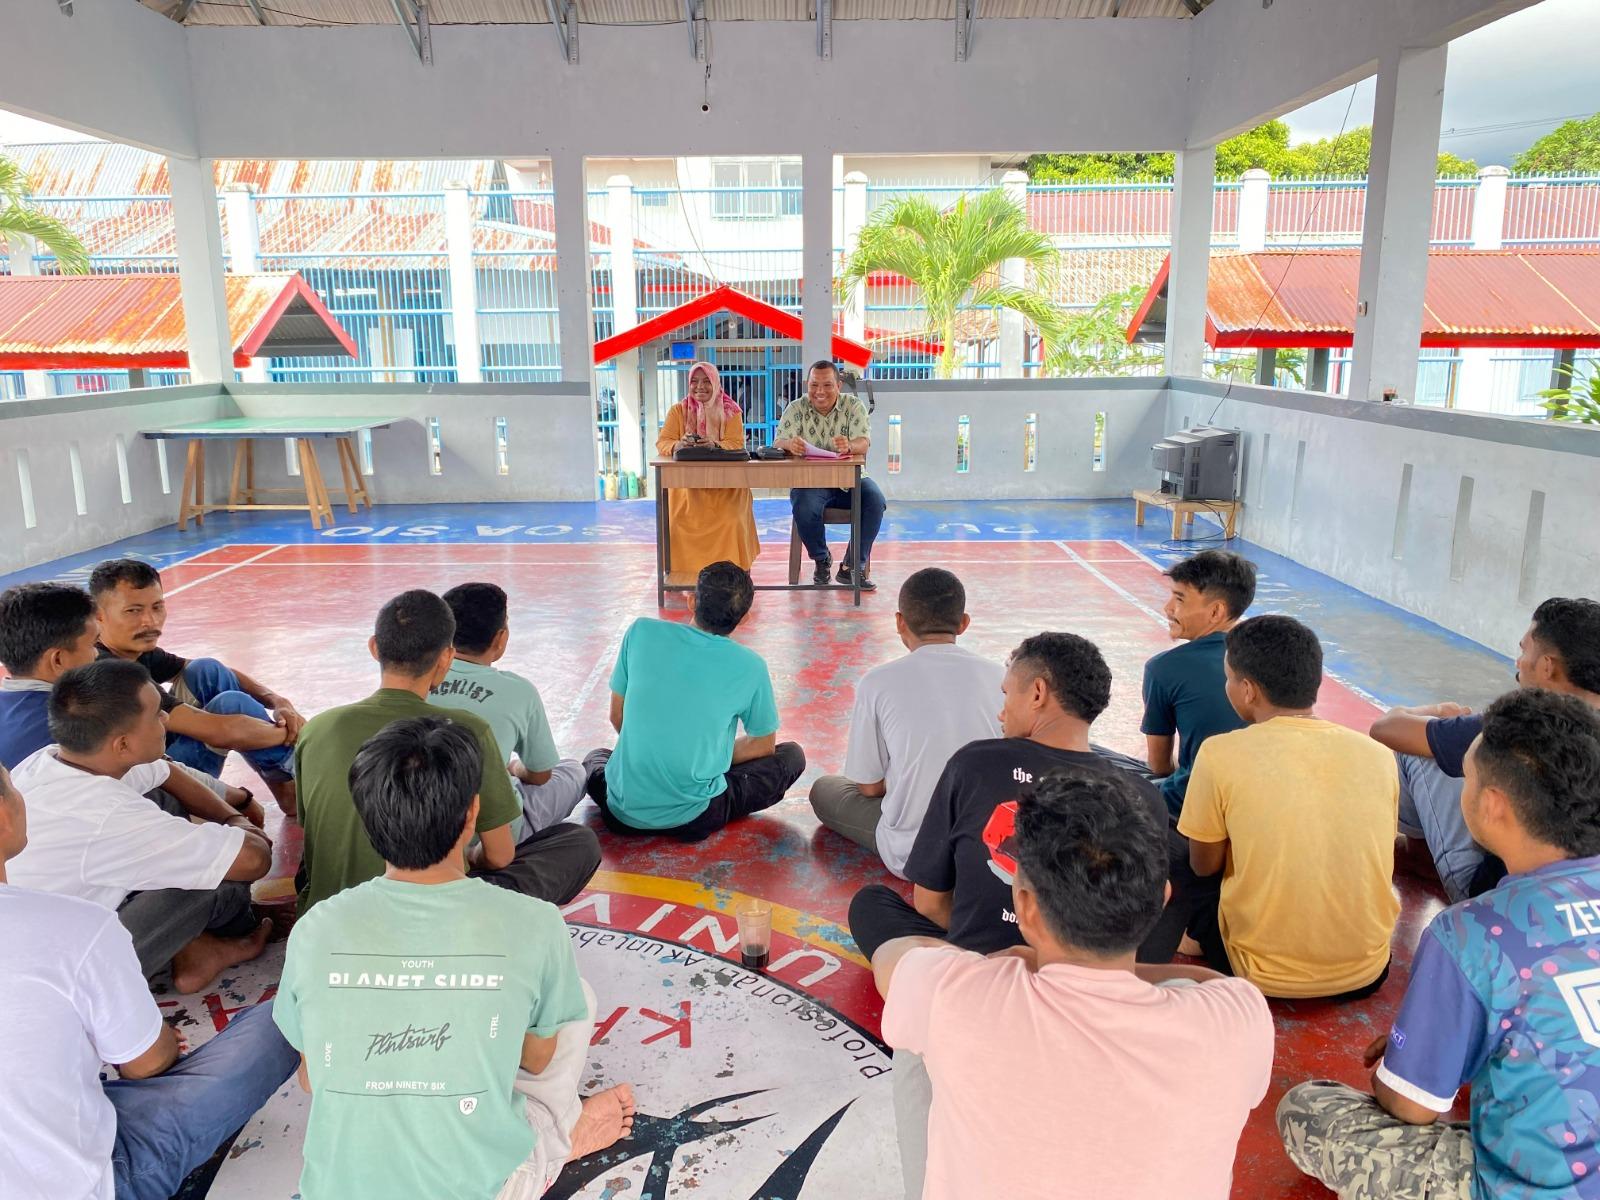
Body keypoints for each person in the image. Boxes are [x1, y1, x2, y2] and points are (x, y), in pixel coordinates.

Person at [275, 716, 635, 1200]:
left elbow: (311, 1078)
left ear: (366, 816)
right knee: (574, 1005)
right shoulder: (533, 921)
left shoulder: (314, 929)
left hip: (340, 1188)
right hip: (481, 1189)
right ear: (473, 813)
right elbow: (536, 1056)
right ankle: (557, 1141)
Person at [872, 771, 1274, 1200]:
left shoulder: (958, 994)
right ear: (1161, 900)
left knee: (916, 1037)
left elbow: (891, 960)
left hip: (956, 981)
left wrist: (1009, 962)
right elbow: (1216, 986)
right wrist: (1123, 973)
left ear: (1025, 906)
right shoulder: (1238, 1021)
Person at [1279, 689, 1600, 1200]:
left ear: (1493, 804)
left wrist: (1418, 1055)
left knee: (1305, 1109)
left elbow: (1410, 1107)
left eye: (1466, 780)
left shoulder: (1474, 930)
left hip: (1542, 1188)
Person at [0, 759, 298, 1200]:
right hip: (93, 1179)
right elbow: (148, 1066)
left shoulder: (52, 767)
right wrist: (150, 1037)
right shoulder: (74, 926)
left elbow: (159, 770)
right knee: (281, 1021)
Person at [848, 632, 1169, 963]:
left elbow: (930, 904)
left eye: (1005, 695)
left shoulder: (974, 764)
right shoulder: (1144, 797)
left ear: (1037, 693)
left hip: (980, 966)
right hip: (1090, 971)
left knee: (871, 904)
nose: (1001, 713)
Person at [294, 589, 600, 913]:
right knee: (578, 843)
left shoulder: (317, 729)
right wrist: (472, 856)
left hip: (328, 913)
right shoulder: (465, 730)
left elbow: (310, 829)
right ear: (446, 658)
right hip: (429, 912)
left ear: (374, 647)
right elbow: (499, 857)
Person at [1168, 614, 1399, 999]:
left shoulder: (1221, 753)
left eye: (1228, 678)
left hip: (1262, 974)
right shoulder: (1376, 754)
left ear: (1248, 691)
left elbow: (1203, 866)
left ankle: (1196, 937)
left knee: (1177, 843)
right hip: (1368, 972)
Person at [7, 660, 274, 992]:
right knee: (221, 877)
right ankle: (227, 939)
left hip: (45, 935)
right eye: (156, 715)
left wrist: (232, 817)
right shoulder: (104, 815)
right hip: (68, 977)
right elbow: (255, 859)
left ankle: (193, 947)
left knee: (166, 804)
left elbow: (164, 771)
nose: (165, 719)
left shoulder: (52, 759)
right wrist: (245, 832)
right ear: (122, 744)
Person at [1370, 595, 1600, 902]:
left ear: (1547, 666)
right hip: (1584, 889)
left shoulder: (1519, 724)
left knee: (1423, 753)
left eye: (1524, 650)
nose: (1518, 663)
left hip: (1498, 895)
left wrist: (1437, 711)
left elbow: (1385, 729)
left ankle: (1420, 855)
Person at [0, 582, 261, 825]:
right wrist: (239, 802)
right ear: (58, 660)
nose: (96, 654)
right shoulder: (87, 713)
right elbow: (161, 772)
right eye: (92, 645)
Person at [583, 561, 805, 842]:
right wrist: (709, 757)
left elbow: (618, 718)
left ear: (690, 600)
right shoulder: (751, 666)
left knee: (595, 758)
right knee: (791, 756)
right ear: (745, 617)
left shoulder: (640, 632)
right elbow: (763, 745)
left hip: (622, 813)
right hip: (696, 816)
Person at [808, 567, 1003, 875]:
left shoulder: (878, 682)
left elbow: (869, 788)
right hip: (985, 850)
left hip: (913, 854)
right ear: (963, 624)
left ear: (900, 622)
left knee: (824, 789)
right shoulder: (1001, 677)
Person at [90, 558, 300, 816]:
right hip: (152, 786)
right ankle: (301, 769)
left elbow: (220, 673)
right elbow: (221, 731)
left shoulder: (131, 648)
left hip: (160, 759)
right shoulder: (111, 670)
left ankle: (286, 789)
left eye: (157, 607)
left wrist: (277, 701)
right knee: (229, 706)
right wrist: (297, 733)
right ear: (99, 615)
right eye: (133, 611)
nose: (150, 621)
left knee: (206, 670)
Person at [433, 583, 588, 835]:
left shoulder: (417, 681)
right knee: (573, 771)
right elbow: (540, 775)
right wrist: (514, 768)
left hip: (421, 824)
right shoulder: (519, 690)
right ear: (500, 638)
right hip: (493, 832)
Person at [1142, 550, 1256, 819]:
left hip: (1196, 808)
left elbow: (1159, 765)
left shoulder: (1163, 667)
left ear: (1216, 611)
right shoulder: (1271, 655)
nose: (1167, 608)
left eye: (1179, 599)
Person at [776, 359, 886, 591]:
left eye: (827, 385)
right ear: (807, 384)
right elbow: (779, 441)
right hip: (811, 482)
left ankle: (851, 566)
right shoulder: (796, 408)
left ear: (838, 386)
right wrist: (790, 445)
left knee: (875, 500)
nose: (820, 392)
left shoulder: (854, 406)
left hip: (851, 480)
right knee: (803, 504)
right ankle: (821, 559)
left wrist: (849, 445)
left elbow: (864, 443)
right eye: (814, 385)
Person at [654, 361, 760, 585]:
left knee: (732, 521)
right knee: (676, 522)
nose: (699, 387)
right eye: (694, 381)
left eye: (706, 381)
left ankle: (735, 578)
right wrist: (678, 445)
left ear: (715, 383)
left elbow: (737, 444)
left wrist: (714, 444)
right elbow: (663, 442)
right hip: (688, 489)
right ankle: (684, 578)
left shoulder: (731, 412)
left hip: (727, 488)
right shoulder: (678, 411)